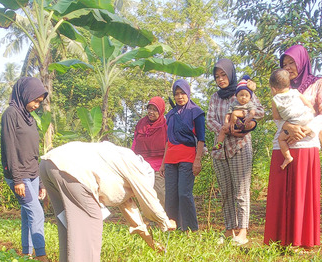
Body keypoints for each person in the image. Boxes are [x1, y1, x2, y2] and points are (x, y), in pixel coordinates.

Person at [39, 141, 177, 262]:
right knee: (91, 226)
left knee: (69, 227)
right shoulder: (137, 168)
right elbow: (149, 198)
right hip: (71, 171)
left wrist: (152, 243)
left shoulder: (119, 167)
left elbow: (134, 216)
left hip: (49, 165)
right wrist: (165, 222)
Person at [264, 45, 322, 248]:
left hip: (307, 145)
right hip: (283, 146)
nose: (288, 67)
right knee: (281, 193)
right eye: (284, 64)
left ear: (302, 61)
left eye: (292, 62)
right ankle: (279, 241)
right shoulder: (279, 89)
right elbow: (277, 117)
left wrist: (307, 129)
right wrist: (288, 127)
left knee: (302, 194)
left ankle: (303, 241)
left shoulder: (317, 84)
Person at [207, 59, 264, 245]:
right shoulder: (215, 97)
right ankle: (230, 228)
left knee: (241, 191)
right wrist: (224, 129)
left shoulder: (243, 91)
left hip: (240, 146)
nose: (221, 79)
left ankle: (243, 231)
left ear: (231, 74)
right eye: (217, 77)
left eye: (224, 75)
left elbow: (260, 111)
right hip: (220, 149)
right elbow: (209, 120)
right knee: (226, 191)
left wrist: (248, 122)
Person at [0, 77, 49, 261]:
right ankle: (41, 256)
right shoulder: (10, 114)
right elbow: (9, 148)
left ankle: (26, 253)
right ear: (25, 94)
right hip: (18, 175)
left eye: (39, 102)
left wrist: (41, 182)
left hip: (32, 174)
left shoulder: (29, 119)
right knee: (36, 213)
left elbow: (34, 152)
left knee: (28, 215)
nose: (37, 105)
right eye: (35, 100)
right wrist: (18, 179)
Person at [159, 79, 205, 232]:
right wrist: (163, 163)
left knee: (184, 193)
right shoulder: (170, 114)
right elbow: (167, 140)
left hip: (188, 157)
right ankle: (173, 227)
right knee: (171, 195)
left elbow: (201, 139)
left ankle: (191, 229)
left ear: (188, 93)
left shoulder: (196, 112)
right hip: (171, 158)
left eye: (182, 93)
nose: (179, 97)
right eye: (177, 94)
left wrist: (197, 160)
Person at [270, 69, 322, 169]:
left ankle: (288, 157)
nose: (288, 67)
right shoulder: (295, 92)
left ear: (273, 89)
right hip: (306, 116)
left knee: (281, 139)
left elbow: (276, 117)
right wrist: (312, 112)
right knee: (319, 127)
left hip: (293, 122)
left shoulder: (275, 99)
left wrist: (286, 121)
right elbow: (307, 103)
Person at [132, 96, 167, 208]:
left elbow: (169, 145)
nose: (151, 112)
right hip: (143, 165)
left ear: (160, 110)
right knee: (144, 194)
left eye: (155, 109)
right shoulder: (141, 124)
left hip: (159, 167)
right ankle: (147, 220)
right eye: (149, 109)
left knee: (160, 193)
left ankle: (163, 220)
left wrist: (164, 165)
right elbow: (135, 143)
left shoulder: (165, 125)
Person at [213, 75, 258, 150]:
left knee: (251, 123)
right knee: (223, 130)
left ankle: (243, 127)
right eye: (241, 95)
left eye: (246, 96)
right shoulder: (234, 103)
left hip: (245, 121)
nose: (243, 97)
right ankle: (219, 143)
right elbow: (228, 114)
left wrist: (248, 117)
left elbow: (253, 111)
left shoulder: (249, 103)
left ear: (250, 97)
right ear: (236, 96)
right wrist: (226, 123)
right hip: (233, 124)